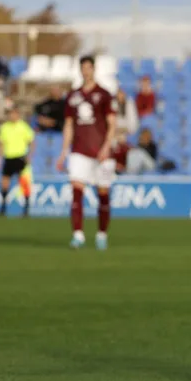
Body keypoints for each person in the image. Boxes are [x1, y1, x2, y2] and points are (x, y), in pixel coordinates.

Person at [55, 55, 118, 251]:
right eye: (83, 68)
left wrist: (107, 146)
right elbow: (68, 125)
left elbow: (112, 124)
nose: (85, 71)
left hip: (100, 152)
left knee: (103, 194)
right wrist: (64, 152)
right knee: (76, 191)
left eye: (89, 67)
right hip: (79, 151)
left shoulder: (104, 94)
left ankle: (101, 234)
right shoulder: (73, 96)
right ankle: (78, 235)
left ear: (94, 69)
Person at [0, 104, 34, 217]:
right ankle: (3, 207)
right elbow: (1, 144)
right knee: (5, 182)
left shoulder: (24, 127)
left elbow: (32, 142)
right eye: (10, 114)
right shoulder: (4, 127)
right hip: (8, 157)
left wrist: (29, 156)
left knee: (23, 182)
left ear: (17, 114)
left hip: (20, 157)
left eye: (14, 113)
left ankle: (26, 207)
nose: (12, 116)